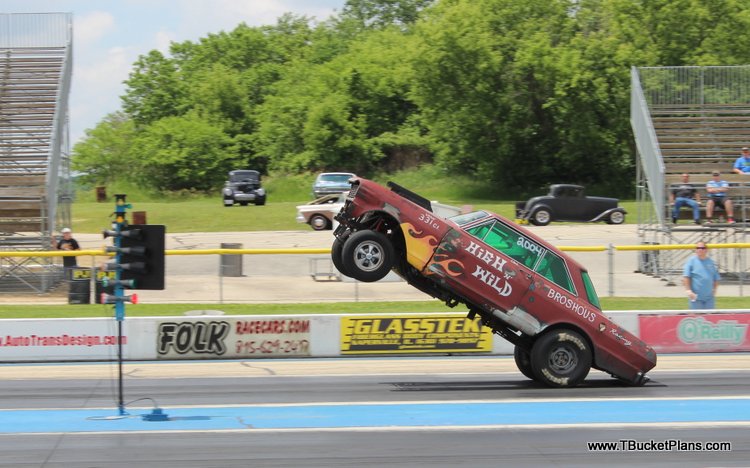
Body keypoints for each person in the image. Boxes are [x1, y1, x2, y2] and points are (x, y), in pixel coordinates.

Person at [682, 241, 720, 310]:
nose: (700, 249)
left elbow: (716, 278)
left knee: (710, 319)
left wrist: (714, 290)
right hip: (696, 298)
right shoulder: (691, 261)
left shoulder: (710, 262)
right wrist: (688, 291)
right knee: (696, 319)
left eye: (702, 248)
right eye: (698, 248)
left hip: (709, 299)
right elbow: (686, 277)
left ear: (706, 250)